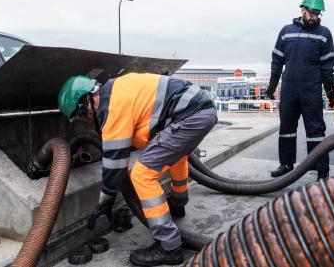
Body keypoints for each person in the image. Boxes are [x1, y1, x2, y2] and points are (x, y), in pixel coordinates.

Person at [58, 73, 217, 266]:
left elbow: (114, 164)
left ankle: (169, 247)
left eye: (82, 113)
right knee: (176, 157)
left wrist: (106, 201)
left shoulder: (112, 106)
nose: (86, 118)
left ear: (89, 98)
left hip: (190, 116)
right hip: (200, 111)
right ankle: (178, 203)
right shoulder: (117, 89)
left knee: (142, 174)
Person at [266, 0, 334, 179]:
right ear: (302, 9)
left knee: (316, 131)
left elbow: (327, 69)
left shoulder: (324, 34)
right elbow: (276, 62)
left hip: (311, 91)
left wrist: (332, 95)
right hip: (289, 90)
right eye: (312, 13)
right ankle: (286, 165)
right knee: (287, 128)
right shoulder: (286, 31)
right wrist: (272, 86)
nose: (315, 17)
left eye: (318, 14)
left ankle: (321, 168)